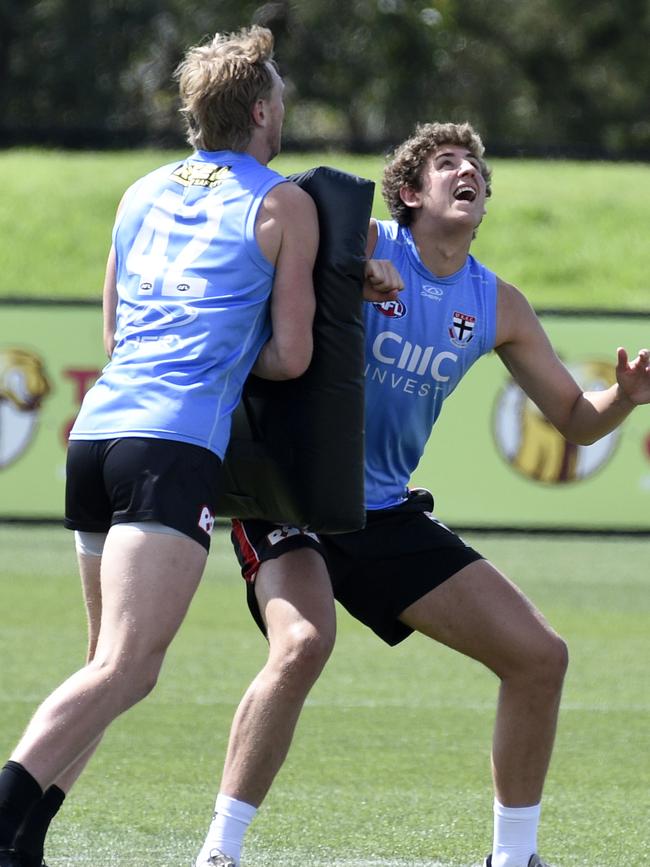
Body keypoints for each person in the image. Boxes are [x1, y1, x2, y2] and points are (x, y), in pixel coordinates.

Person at [198, 121, 650, 867]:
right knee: (305, 642)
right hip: (292, 494)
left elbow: (574, 419)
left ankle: (513, 858)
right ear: (410, 193)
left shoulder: (497, 303)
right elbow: (272, 252)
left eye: (475, 166)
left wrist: (626, 397)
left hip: (380, 510)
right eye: (447, 164)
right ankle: (220, 851)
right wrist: (344, 271)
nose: (468, 172)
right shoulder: (364, 242)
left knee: (540, 656)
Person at [0, 25, 320, 867]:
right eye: (279, 98)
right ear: (259, 109)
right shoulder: (283, 202)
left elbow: (111, 332)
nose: (282, 110)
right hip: (171, 446)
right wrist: (219, 349)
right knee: (128, 668)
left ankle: (24, 841)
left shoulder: (139, 191)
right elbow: (292, 356)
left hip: (96, 435)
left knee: (105, 664)